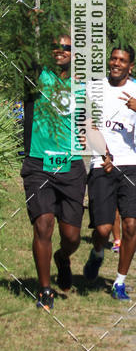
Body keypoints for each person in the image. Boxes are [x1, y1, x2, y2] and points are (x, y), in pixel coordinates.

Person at [83, 45, 136, 300]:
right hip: (100, 164)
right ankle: (98, 252)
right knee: (102, 229)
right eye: (113, 59)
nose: (115, 63)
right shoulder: (94, 88)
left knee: (131, 224)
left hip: (130, 165)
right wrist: (103, 154)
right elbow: (88, 126)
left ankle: (119, 282)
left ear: (130, 66)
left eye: (121, 60)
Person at [21, 34, 86, 310]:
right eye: (55, 47)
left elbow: (88, 124)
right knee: (44, 223)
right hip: (39, 164)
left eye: (67, 48)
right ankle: (45, 290)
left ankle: (63, 257)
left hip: (71, 167)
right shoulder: (38, 78)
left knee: (71, 236)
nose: (60, 51)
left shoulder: (82, 86)